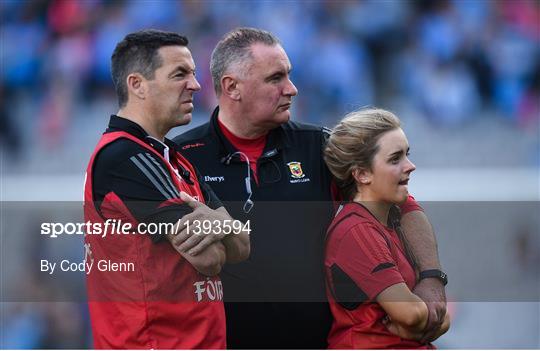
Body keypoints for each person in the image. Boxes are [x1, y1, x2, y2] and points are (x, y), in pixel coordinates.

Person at [173, 27, 447, 348]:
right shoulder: (183, 157)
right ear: (232, 87)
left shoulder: (317, 145)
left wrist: (431, 278)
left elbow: (403, 207)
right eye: (275, 79)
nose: (292, 89)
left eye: (289, 75)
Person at [83, 29, 249, 349]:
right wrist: (225, 226)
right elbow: (212, 259)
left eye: (193, 73)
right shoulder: (124, 157)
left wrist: (223, 225)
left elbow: (242, 248)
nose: (196, 85)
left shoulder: (175, 158)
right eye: (179, 74)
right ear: (137, 85)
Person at [323, 108, 450, 348]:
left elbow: (441, 319)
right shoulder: (356, 231)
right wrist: (419, 316)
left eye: (407, 154)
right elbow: (411, 313)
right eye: (395, 159)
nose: (410, 166)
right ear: (361, 174)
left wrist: (417, 319)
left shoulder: (391, 218)